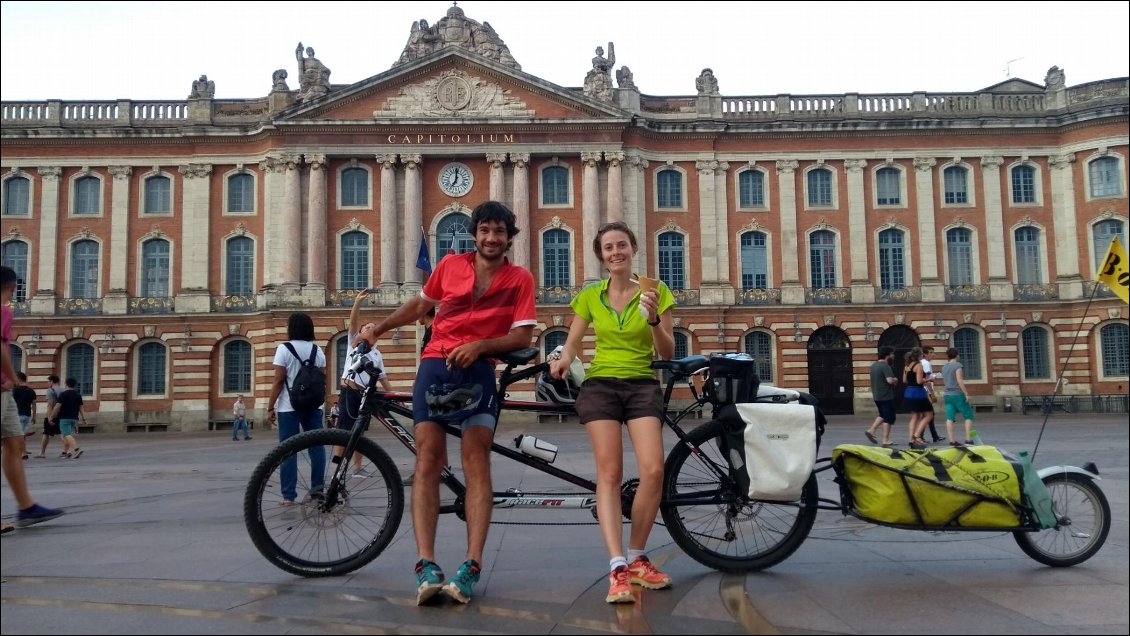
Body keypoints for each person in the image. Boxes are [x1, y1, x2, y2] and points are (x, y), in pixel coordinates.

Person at [370, 200, 536, 606]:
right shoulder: (448, 266)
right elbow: (420, 306)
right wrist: (379, 328)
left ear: (509, 237)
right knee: (428, 459)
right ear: (475, 233)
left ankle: (472, 563)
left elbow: (523, 338)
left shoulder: (520, 279)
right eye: (485, 230)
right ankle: (426, 564)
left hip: (479, 372)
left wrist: (480, 346)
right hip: (434, 365)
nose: (491, 238)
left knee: (476, 460)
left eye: (499, 232)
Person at [549, 221, 676, 604]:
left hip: (641, 385)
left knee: (654, 469)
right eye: (608, 247)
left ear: (633, 249)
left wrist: (653, 318)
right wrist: (561, 360)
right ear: (601, 256)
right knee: (610, 472)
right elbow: (572, 345)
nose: (616, 252)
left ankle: (637, 555)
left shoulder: (657, 291)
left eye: (622, 245)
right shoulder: (590, 295)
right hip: (601, 385)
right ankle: (617, 565)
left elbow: (667, 354)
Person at [1, 265, 64, 532]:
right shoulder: (3, 310)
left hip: (2, 393)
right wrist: (13, 378)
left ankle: (26, 508)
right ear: (14, 287)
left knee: (15, 445)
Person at [267, 312, 327, 506]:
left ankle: (288, 496)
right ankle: (317, 492)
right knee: (317, 449)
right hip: (313, 405)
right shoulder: (317, 351)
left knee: (288, 451)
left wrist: (270, 406)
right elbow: (321, 378)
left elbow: (278, 380)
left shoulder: (284, 349)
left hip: (288, 406)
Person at [336, 289, 393, 476]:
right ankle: (338, 466)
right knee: (343, 430)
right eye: (366, 327)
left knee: (359, 432)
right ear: (360, 333)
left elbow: (383, 378)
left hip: (364, 395)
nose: (369, 328)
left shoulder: (377, 354)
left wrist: (394, 396)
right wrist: (357, 302)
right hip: (348, 391)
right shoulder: (354, 342)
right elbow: (353, 322)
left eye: (372, 327)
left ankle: (358, 468)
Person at [941, 348, 977, 446]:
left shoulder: (944, 367)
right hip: (957, 394)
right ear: (957, 355)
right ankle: (968, 439)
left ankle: (952, 440)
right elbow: (959, 380)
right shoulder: (958, 365)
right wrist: (966, 393)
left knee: (950, 418)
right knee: (968, 416)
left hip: (947, 395)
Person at [864, 347, 898, 447]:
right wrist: (895, 379)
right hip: (886, 395)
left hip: (877, 395)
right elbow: (889, 380)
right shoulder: (885, 366)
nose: (893, 356)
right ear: (887, 355)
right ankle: (885, 440)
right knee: (888, 417)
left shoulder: (874, 366)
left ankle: (871, 430)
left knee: (882, 414)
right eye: (892, 354)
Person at [902, 348, 932, 449]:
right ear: (919, 355)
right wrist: (928, 379)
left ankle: (911, 439)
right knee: (929, 414)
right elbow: (919, 381)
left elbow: (904, 380)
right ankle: (917, 436)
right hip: (918, 393)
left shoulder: (907, 366)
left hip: (909, 392)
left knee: (915, 416)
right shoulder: (918, 366)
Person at [48, 378, 86, 458]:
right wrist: (84, 418)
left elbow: (57, 406)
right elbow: (81, 408)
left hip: (64, 418)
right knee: (67, 436)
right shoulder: (78, 395)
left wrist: (51, 416)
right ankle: (66, 452)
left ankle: (76, 449)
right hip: (74, 418)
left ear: (66, 384)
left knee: (66, 434)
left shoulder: (63, 394)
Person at [918, 346, 944, 443]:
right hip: (926, 392)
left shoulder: (921, 363)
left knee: (927, 415)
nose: (933, 354)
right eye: (931, 352)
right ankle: (920, 436)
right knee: (929, 415)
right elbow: (927, 381)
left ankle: (932, 436)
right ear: (925, 354)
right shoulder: (926, 364)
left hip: (923, 392)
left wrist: (934, 375)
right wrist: (932, 393)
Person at [12, 372, 37, 460]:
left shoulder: (15, 390)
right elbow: (34, 405)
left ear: (18, 379)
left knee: (18, 435)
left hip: (17, 415)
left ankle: (23, 453)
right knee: (22, 435)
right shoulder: (31, 391)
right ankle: (22, 451)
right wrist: (34, 416)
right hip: (27, 416)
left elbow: (11, 404)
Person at [38, 374, 63, 458]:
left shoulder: (50, 390)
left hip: (52, 414)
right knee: (63, 433)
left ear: (51, 381)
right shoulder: (63, 390)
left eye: (48, 381)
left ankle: (42, 453)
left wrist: (49, 417)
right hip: (61, 414)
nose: (48, 383)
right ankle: (67, 450)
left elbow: (50, 404)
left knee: (46, 434)